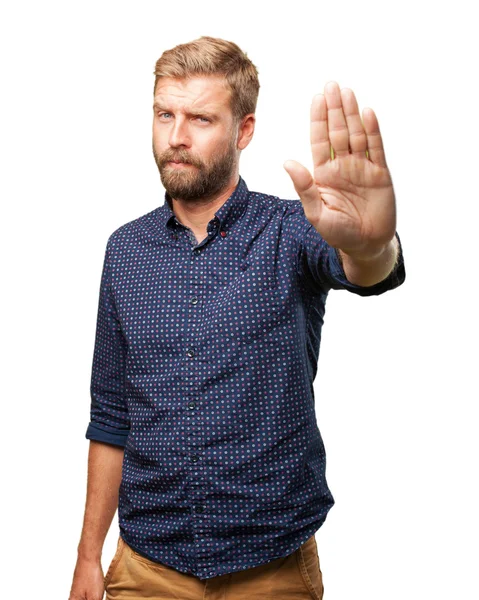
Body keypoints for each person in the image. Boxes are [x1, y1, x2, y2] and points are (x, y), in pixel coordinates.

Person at [68, 36, 405, 600]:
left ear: (244, 130)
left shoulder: (292, 229)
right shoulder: (123, 251)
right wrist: (86, 555)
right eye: (164, 115)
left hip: (272, 567)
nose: (176, 137)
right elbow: (110, 416)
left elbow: (366, 269)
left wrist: (372, 246)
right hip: (148, 567)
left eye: (200, 118)